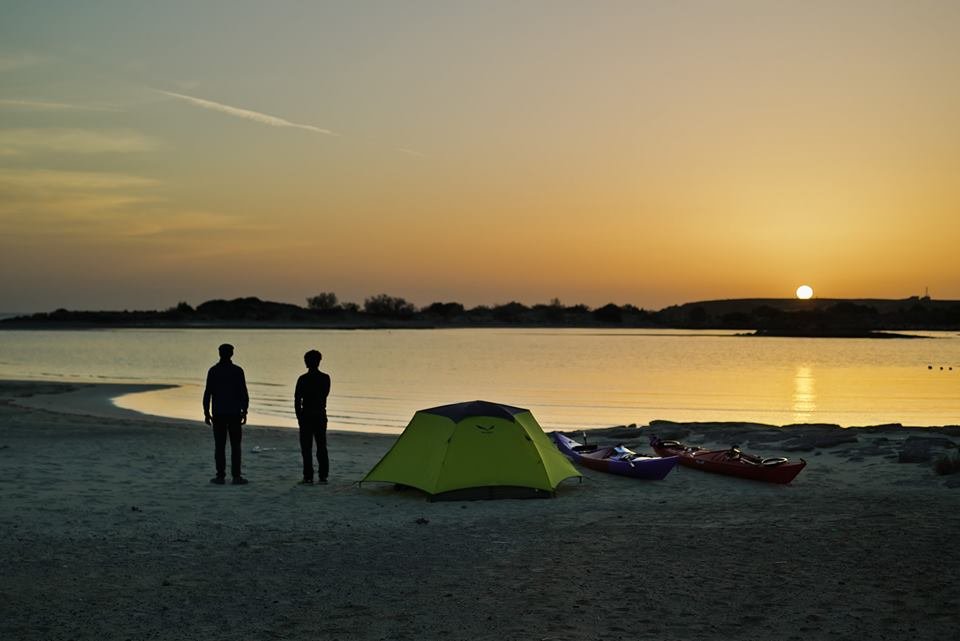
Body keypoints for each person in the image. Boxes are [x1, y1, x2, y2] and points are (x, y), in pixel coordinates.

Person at [203, 343, 250, 485]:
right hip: (233, 412)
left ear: (219, 353)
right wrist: (244, 410)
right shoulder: (237, 371)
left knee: (220, 445)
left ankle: (220, 476)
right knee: (235, 446)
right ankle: (236, 476)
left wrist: (206, 412)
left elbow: (208, 393)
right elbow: (243, 393)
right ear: (232, 354)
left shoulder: (214, 371)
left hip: (219, 412)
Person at [294, 349, 331, 484]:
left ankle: (308, 476)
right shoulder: (325, 378)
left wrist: (299, 416)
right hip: (320, 414)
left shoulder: (303, 379)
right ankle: (323, 475)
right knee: (321, 446)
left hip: (307, 415)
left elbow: (297, 400)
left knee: (307, 448)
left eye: (306, 360)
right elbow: (325, 394)